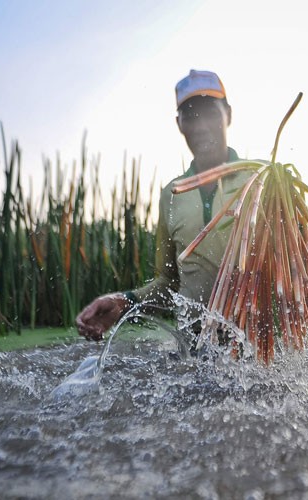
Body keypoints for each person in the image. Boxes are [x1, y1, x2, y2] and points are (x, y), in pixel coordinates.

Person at [76, 69, 251, 342]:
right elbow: (170, 283)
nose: (202, 126)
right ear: (179, 123)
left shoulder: (262, 181)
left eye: (211, 113)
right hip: (195, 356)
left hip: (261, 357)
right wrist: (124, 301)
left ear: (229, 114)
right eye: (191, 116)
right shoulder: (171, 195)